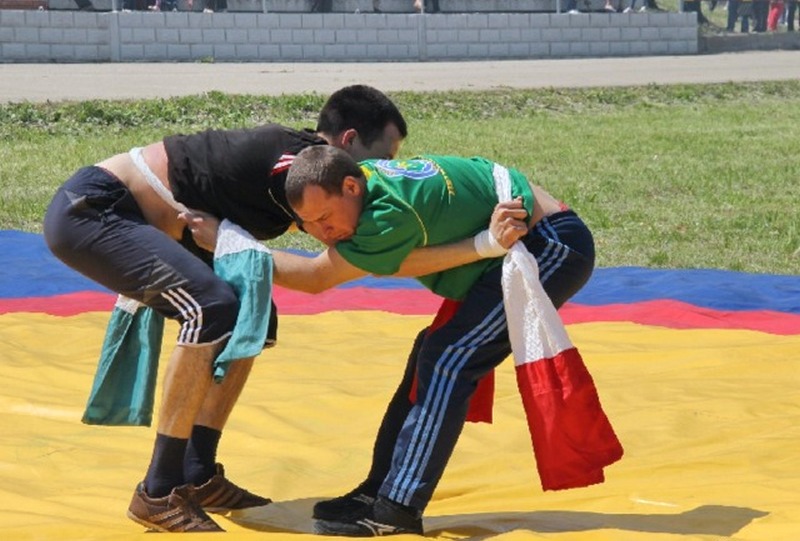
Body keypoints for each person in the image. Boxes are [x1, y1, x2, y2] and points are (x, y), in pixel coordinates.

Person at [42, 85, 414, 533]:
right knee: (211, 307)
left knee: (252, 313)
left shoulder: (306, 171)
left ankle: (197, 472)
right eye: (383, 160)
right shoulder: (301, 168)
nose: (384, 176)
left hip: (133, 218)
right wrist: (473, 243)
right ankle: (157, 491)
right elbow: (323, 272)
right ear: (348, 142)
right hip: (93, 211)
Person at [258, 146, 622, 536]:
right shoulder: (364, 180)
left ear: (350, 186)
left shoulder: (386, 216)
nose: (322, 235)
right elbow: (398, 262)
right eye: (307, 224)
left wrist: (230, 253)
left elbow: (317, 277)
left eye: (325, 219)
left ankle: (397, 508)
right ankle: (380, 490)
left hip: (550, 244)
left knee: (449, 359)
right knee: (430, 354)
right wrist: (485, 241)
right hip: (521, 232)